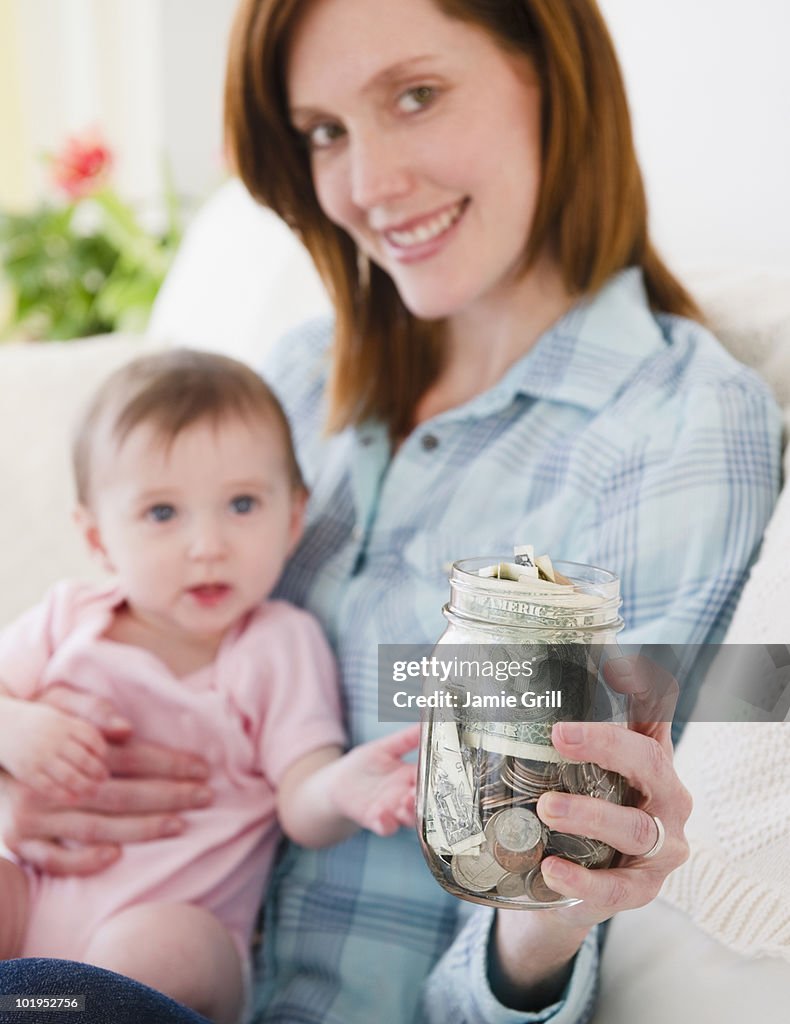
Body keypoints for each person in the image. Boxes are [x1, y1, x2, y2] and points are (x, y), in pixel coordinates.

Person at [0, 0, 782, 1022]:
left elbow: (559, 851)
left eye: (416, 96)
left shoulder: (677, 427)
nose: (365, 187)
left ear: (553, 77)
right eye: (325, 131)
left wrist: (544, 911)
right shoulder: (291, 380)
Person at [0, 349, 419, 1024]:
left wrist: (342, 787)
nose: (208, 545)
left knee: (157, 944)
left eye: (242, 504)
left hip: (170, 960)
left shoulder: (276, 644)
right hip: (30, 921)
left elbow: (299, 797)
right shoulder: (68, 618)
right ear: (98, 538)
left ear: (292, 519)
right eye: (163, 514)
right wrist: (13, 730)